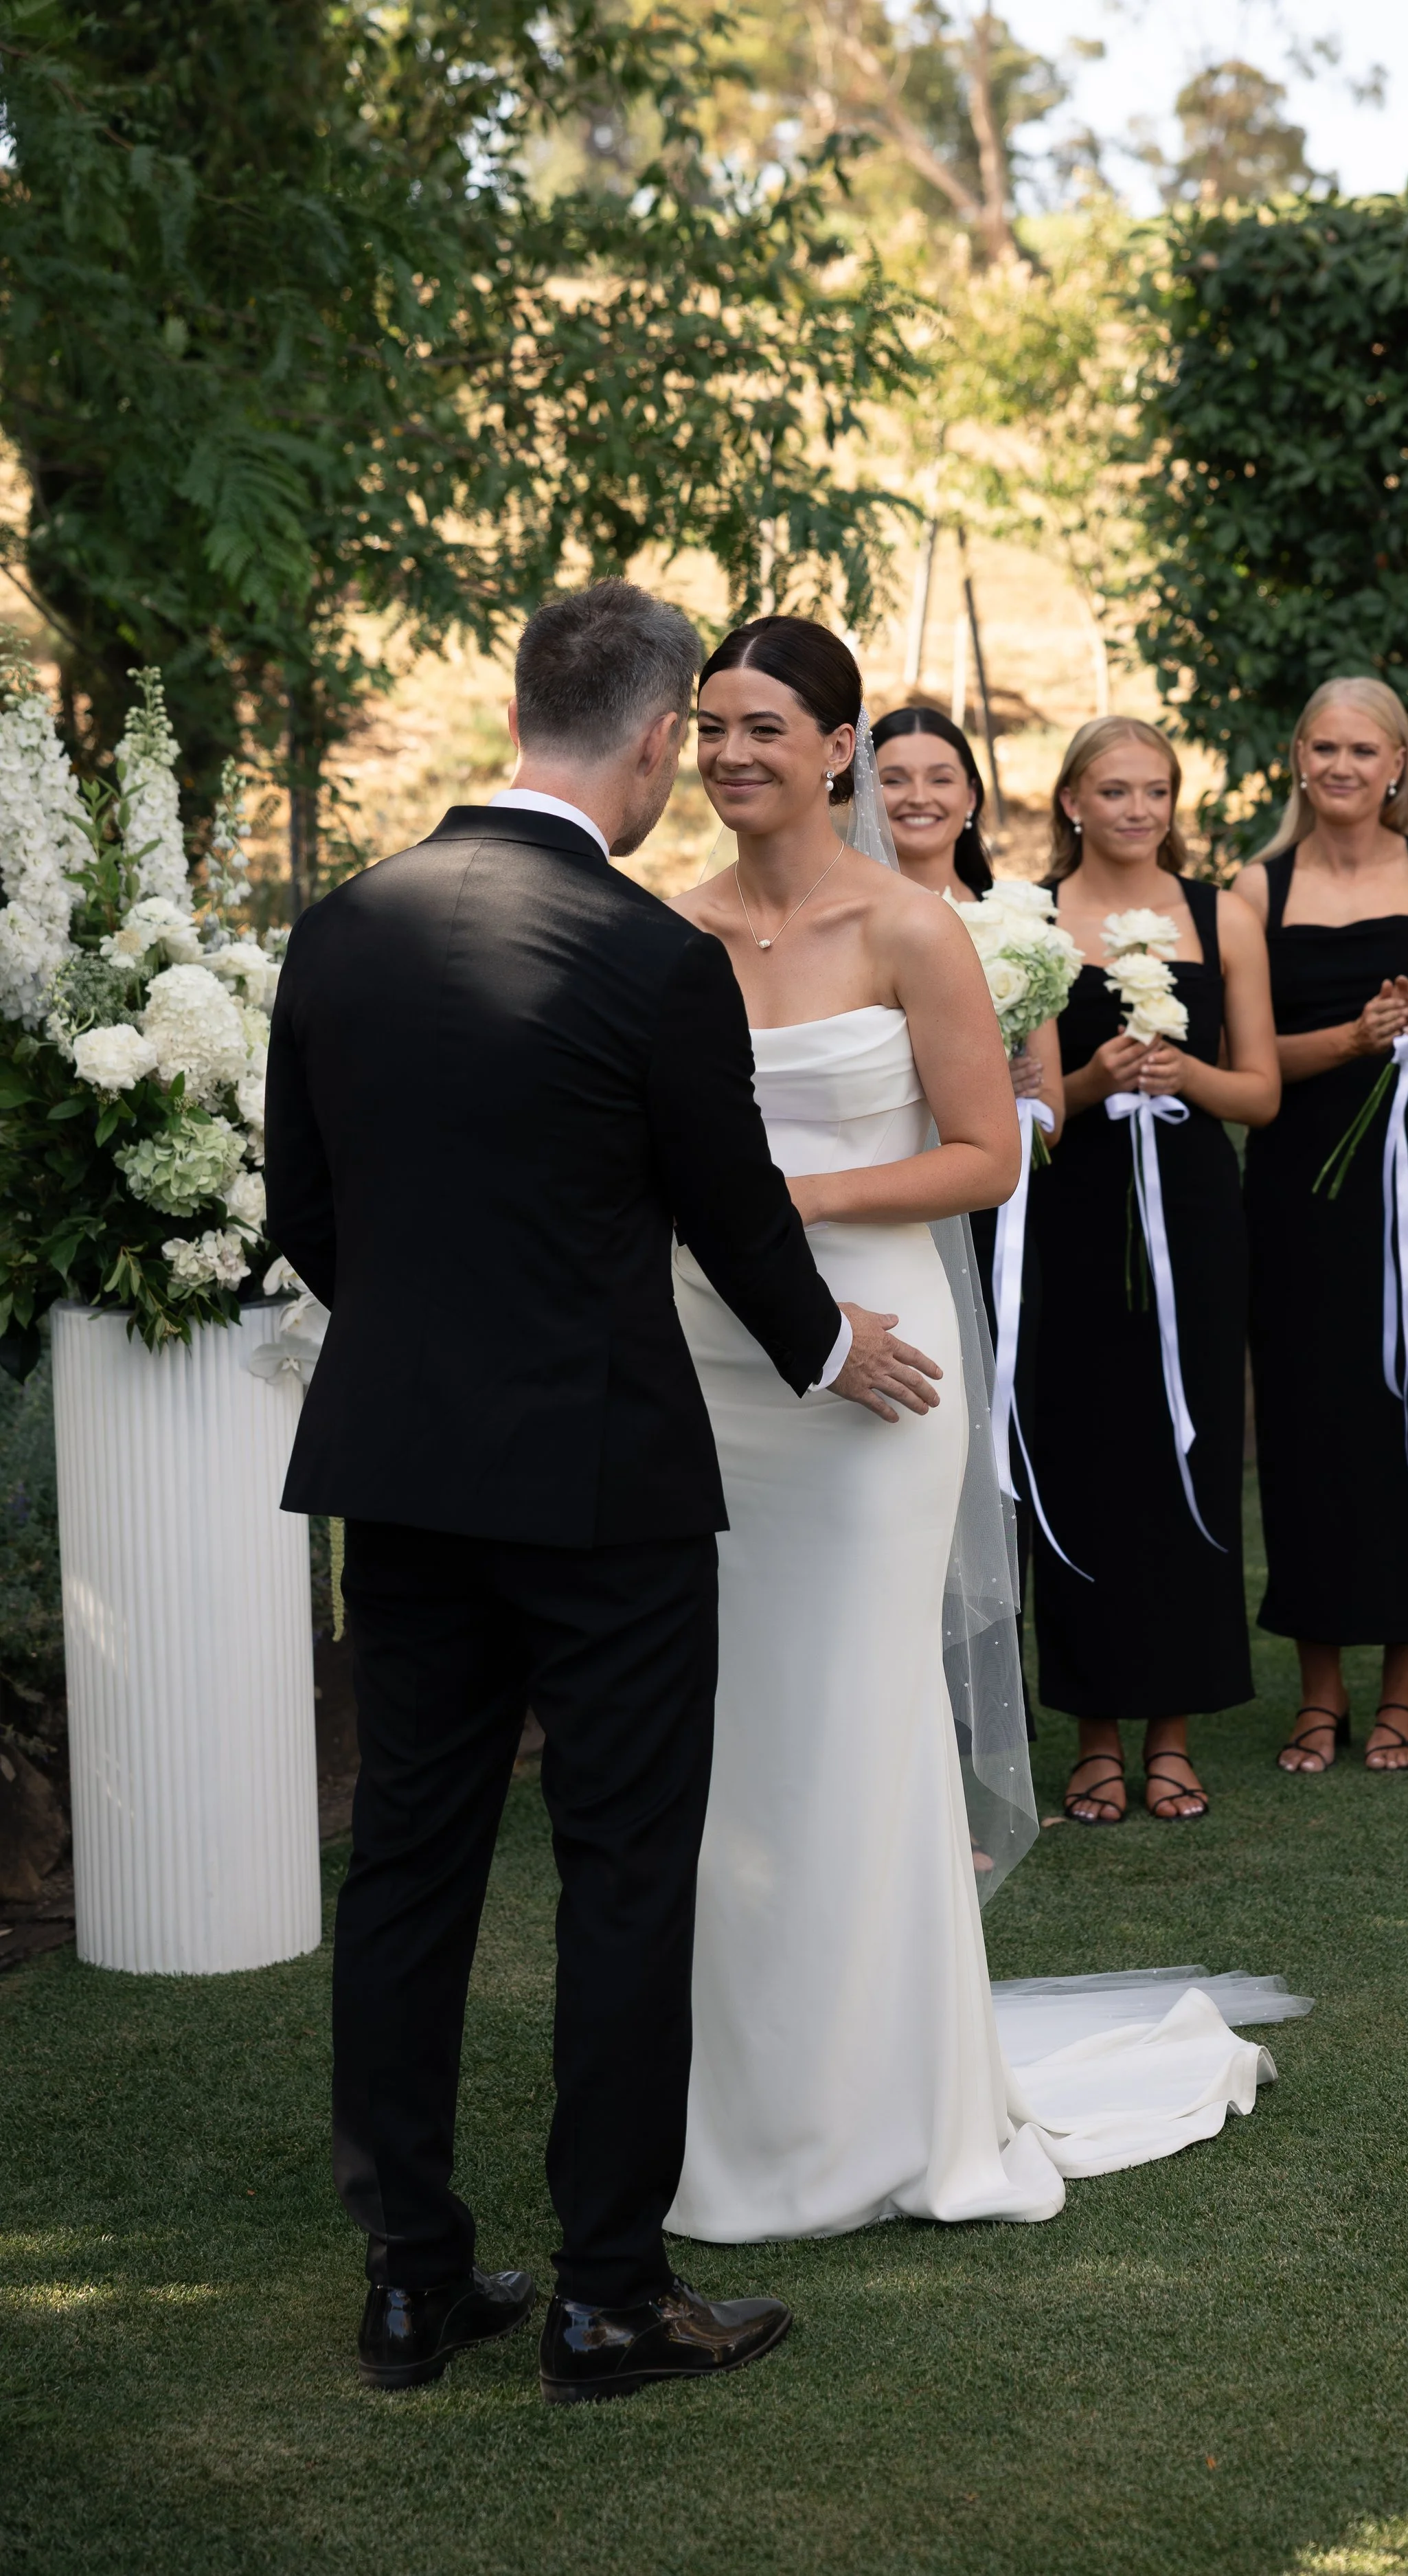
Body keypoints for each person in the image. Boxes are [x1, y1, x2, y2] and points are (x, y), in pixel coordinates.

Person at [266, 581, 941, 2404]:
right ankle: (606, 2298)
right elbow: (729, 1206)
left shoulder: (339, 926)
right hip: (608, 1479)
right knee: (626, 1873)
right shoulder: (647, 957)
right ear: (652, 740)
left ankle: (410, 2283)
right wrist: (821, 1354)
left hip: (401, 1474)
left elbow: (305, 1216)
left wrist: (433, 1359)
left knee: (408, 1866)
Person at [666, 618, 1294, 2245]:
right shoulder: (662, 934)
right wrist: (727, 1242)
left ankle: (900, 2103)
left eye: (766, 726)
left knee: (859, 1714)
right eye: (709, 723)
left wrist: (770, 1205)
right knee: (737, 1733)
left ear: (836, 747)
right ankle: (745, 2104)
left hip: (885, 1369)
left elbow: (985, 1157)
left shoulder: (911, 930)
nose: (733, 752)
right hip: (716, 1370)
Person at [1235, 677, 1408, 1775]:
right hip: (1300, 1188)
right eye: (1324, 748)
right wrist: (1349, 1037)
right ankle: (1319, 1691)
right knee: (1306, 1423)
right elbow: (1245, 1064)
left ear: (1399, 764)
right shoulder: (1254, 888)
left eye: (1364, 750)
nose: (1343, 767)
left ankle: (1405, 1688)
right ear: (1298, 758)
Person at [1030, 717, 1279, 1824]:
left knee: (1189, 1453)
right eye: (1115, 789)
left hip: (1190, 1207)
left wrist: (1182, 1069)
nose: (1138, 809)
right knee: (1085, 1457)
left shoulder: (1223, 914)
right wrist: (1088, 1080)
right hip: (1073, 1214)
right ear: (1072, 799)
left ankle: (1174, 1732)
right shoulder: (1026, 916)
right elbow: (1026, 1112)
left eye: (1157, 790)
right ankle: (1092, 1735)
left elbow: (1261, 1093)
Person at [874, 705, 1063, 1761]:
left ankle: (985, 1728)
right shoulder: (837, 912)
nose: (917, 796)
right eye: (893, 776)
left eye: (939, 775)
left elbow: (1049, 1113)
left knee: (977, 1465)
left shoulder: (1013, 928)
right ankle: (895, 1737)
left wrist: (1024, 1094)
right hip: (879, 1217)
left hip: (991, 1236)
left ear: (972, 795)